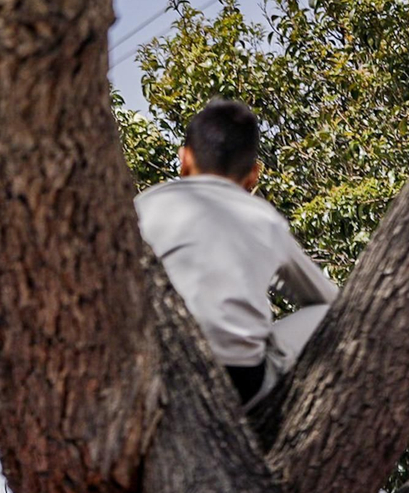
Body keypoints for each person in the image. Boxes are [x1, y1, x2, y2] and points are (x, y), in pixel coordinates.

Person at [135, 98, 338, 407]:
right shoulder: (265, 218)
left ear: (184, 159)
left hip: (154, 367)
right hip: (239, 381)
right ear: (253, 175)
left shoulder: (144, 206)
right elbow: (328, 301)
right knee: (330, 314)